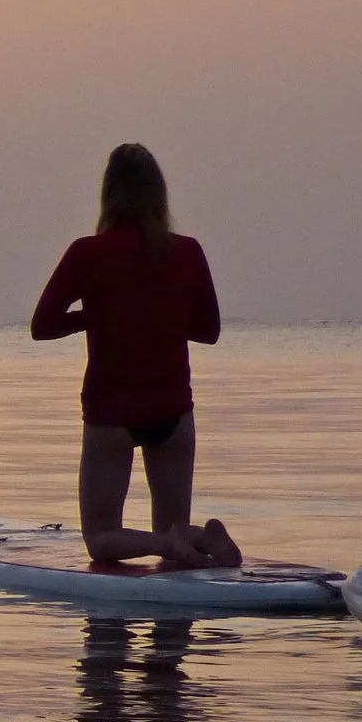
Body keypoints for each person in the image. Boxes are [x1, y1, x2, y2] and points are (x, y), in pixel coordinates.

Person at [31, 144, 240, 568]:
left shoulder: (87, 253)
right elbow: (209, 331)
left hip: (113, 413)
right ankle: (202, 538)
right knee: (174, 531)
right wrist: (158, 315)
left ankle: (169, 544)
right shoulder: (188, 251)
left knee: (101, 538)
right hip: (173, 411)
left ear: (108, 193)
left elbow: (43, 326)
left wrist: (96, 315)